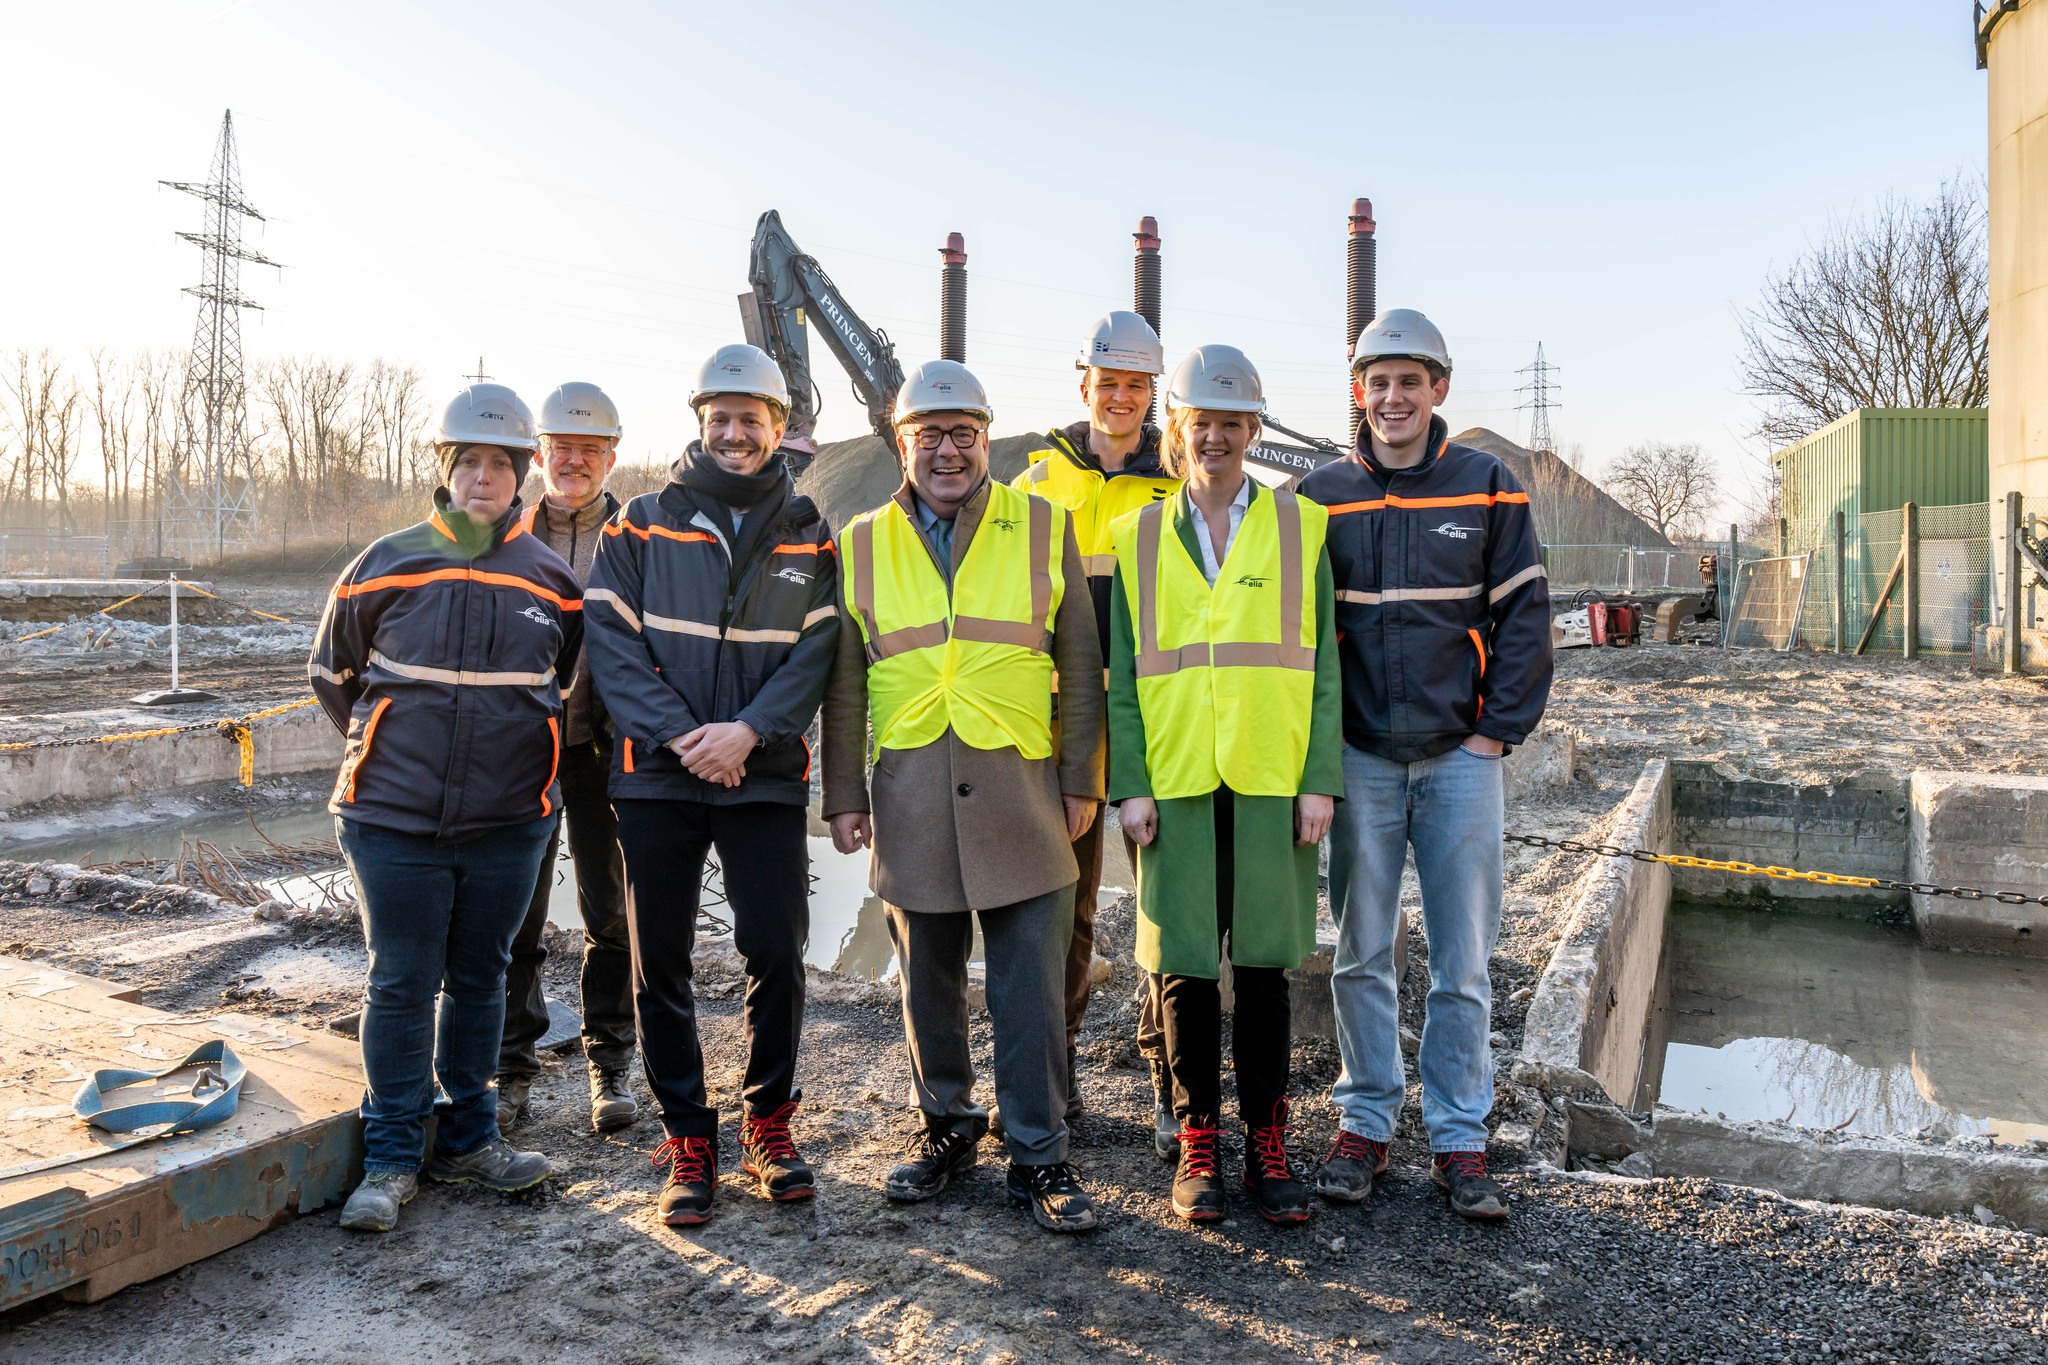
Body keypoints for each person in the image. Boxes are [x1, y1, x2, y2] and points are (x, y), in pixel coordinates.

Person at [821, 360, 1105, 1234]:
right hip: (908, 790)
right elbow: (846, 682)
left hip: (1022, 789)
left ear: (984, 438)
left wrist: (1080, 781)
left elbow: (1084, 668)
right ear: (902, 444)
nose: (947, 451)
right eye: (928, 436)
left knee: (1030, 985)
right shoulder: (861, 538)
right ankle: (947, 1126)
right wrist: (843, 793)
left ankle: (1039, 1153)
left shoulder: (1041, 525)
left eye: (963, 435)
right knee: (926, 984)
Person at [1296, 310, 1552, 1223]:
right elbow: (1296, 635)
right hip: (1360, 759)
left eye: (1411, 380)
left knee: (1463, 961)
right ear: (1358, 391)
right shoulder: (1317, 498)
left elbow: (1525, 617)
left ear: (1439, 387)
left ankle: (1456, 1132)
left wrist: (1496, 732)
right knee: (1361, 950)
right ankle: (1365, 1118)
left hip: (1457, 761)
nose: (1394, 397)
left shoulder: (1488, 486)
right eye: (1379, 381)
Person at [312, 383, 582, 1234]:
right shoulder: (383, 562)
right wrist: (394, 746)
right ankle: (391, 1158)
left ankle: (469, 1138)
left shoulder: (553, 581)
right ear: (445, 469)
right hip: (392, 820)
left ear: (521, 475)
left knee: (482, 978)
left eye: (500, 465)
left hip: (510, 823)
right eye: (468, 461)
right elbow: (332, 675)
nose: (483, 478)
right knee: (399, 980)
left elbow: (562, 686)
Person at [582, 344, 840, 1227]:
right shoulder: (640, 524)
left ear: (779, 428)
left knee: (775, 949)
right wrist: (685, 737)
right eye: (720, 418)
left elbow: (817, 650)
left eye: (752, 420)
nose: (735, 434)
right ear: (700, 422)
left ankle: (768, 1122)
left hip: (761, 775)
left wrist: (748, 733)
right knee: (663, 961)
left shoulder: (810, 529)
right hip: (658, 776)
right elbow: (610, 640)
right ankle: (690, 1134)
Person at [1107, 345, 1341, 1226]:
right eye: (1200, 422)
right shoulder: (1135, 538)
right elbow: (1122, 675)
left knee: (1266, 967)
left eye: (1232, 423)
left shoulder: (1300, 527)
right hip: (1173, 780)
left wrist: (1319, 779)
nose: (1216, 436)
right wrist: (1130, 782)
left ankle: (1268, 1140)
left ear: (1253, 430)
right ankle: (1199, 1136)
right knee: (1184, 971)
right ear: (1179, 429)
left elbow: (1322, 667)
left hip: (1274, 776)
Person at [1012, 311, 1182, 1145]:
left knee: (1167, 910)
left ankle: (1166, 1074)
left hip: (1155, 726)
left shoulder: (1179, 481)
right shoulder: (1037, 480)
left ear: (1153, 395)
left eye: (1135, 385)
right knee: (1065, 910)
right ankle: (1058, 1069)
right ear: (1083, 384)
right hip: (1061, 728)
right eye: (1107, 382)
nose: (1120, 398)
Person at [497, 381, 636, 1136]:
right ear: (541, 454)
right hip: (523, 752)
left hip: (603, 752)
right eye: (562, 448)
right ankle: (510, 1069)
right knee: (516, 916)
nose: (574, 461)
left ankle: (610, 1062)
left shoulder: (637, 538)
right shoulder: (505, 534)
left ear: (612, 456)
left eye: (589, 449)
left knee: (609, 914)